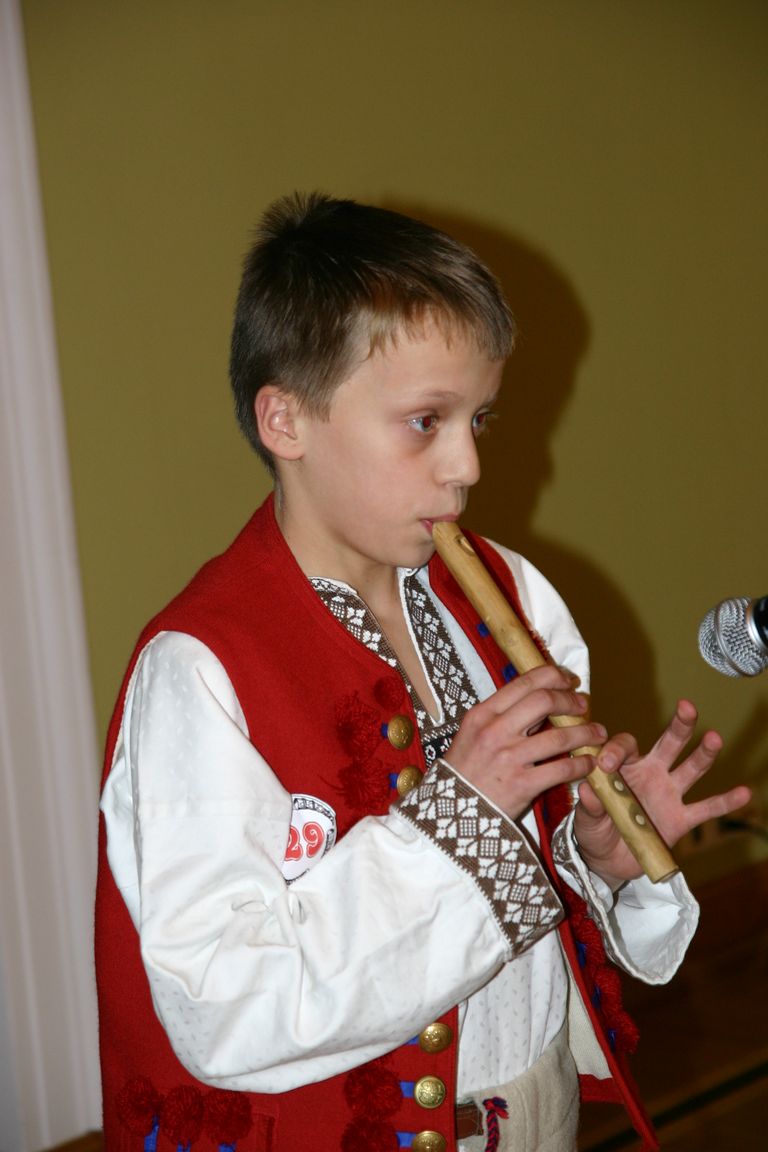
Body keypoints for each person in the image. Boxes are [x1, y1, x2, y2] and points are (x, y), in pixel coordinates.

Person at [96, 193, 749, 1152]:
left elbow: (529, 914)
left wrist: (597, 858)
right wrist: (459, 819)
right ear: (286, 420)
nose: (467, 464)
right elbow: (223, 1006)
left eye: (479, 417)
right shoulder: (200, 671)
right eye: (424, 421)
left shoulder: (515, 596)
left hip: (537, 1107)